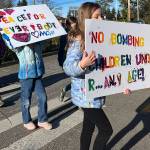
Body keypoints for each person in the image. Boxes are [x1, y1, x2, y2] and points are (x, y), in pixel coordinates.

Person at [63, 2, 130, 150]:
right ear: (86, 18)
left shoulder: (101, 38)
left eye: (102, 15)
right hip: (86, 96)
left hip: (96, 94)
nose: (101, 19)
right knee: (106, 130)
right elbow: (67, 67)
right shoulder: (79, 40)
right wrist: (82, 64)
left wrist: (123, 84)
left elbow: (110, 67)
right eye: (96, 16)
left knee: (88, 128)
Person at [14, 42, 52, 130]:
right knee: (26, 99)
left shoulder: (38, 42)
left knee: (43, 97)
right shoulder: (19, 44)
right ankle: (26, 121)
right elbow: (11, 44)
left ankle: (42, 120)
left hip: (38, 75)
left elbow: (46, 44)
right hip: (26, 76)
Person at [58, 16, 78, 102]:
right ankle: (78, 101)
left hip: (77, 61)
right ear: (67, 25)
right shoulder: (64, 35)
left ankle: (65, 89)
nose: (74, 26)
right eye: (73, 24)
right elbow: (61, 50)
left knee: (77, 79)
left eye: (75, 24)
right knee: (77, 79)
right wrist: (61, 62)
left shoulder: (78, 33)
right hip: (67, 61)